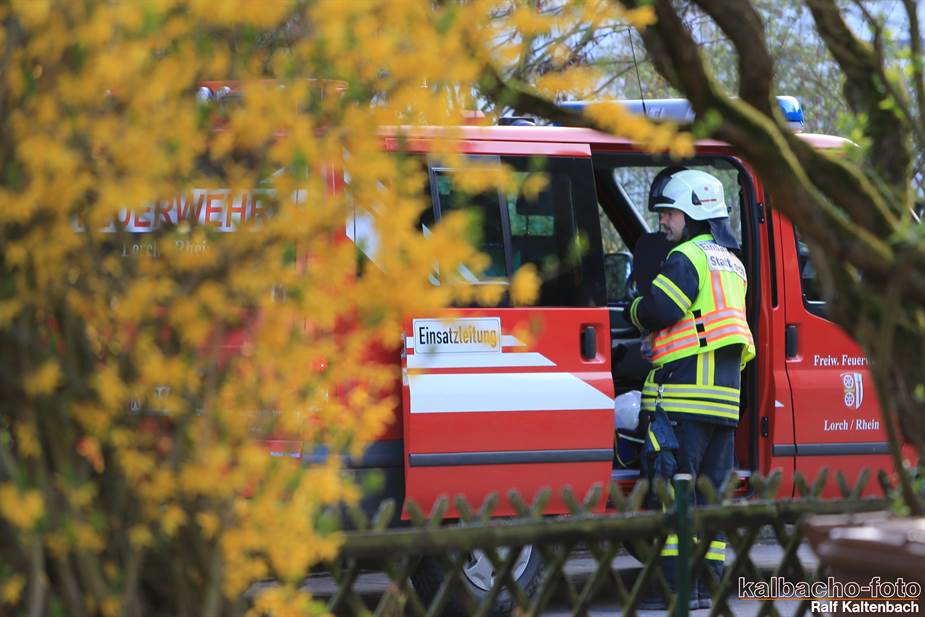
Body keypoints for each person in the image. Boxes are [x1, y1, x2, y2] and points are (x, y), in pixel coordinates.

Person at [629, 168, 756, 610]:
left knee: (674, 498)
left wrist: (632, 310)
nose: (663, 222)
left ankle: (675, 590)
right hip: (724, 405)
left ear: (692, 214)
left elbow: (660, 309)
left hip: (683, 402)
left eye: (669, 213)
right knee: (710, 500)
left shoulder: (686, 258)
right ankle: (707, 587)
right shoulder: (732, 263)